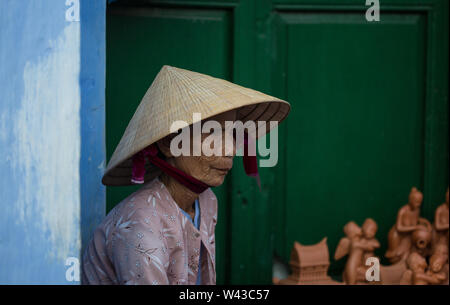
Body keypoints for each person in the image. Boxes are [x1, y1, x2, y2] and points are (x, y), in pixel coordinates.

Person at [81, 65, 290, 285]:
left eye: (232, 134)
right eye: (212, 134)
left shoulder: (207, 201)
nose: (230, 150)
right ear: (169, 143)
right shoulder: (140, 222)